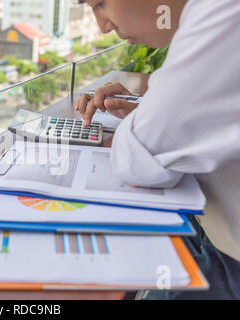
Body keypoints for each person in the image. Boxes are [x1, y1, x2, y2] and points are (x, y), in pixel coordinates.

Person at [77, 0, 240, 299]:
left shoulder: (225, 12)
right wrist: (144, 110)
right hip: (214, 224)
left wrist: (149, 116)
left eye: (100, 4)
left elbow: (137, 160)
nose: (103, 26)